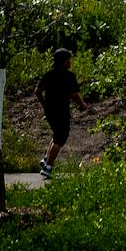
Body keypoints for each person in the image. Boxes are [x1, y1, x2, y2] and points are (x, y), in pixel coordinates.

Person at [36, 48, 88, 179]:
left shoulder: (49, 74)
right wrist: (82, 105)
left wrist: (44, 104)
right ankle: (48, 167)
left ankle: (46, 159)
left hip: (49, 110)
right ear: (65, 61)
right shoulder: (69, 76)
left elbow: (37, 91)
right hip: (61, 110)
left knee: (57, 135)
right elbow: (74, 94)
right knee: (61, 137)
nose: (70, 61)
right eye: (69, 59)